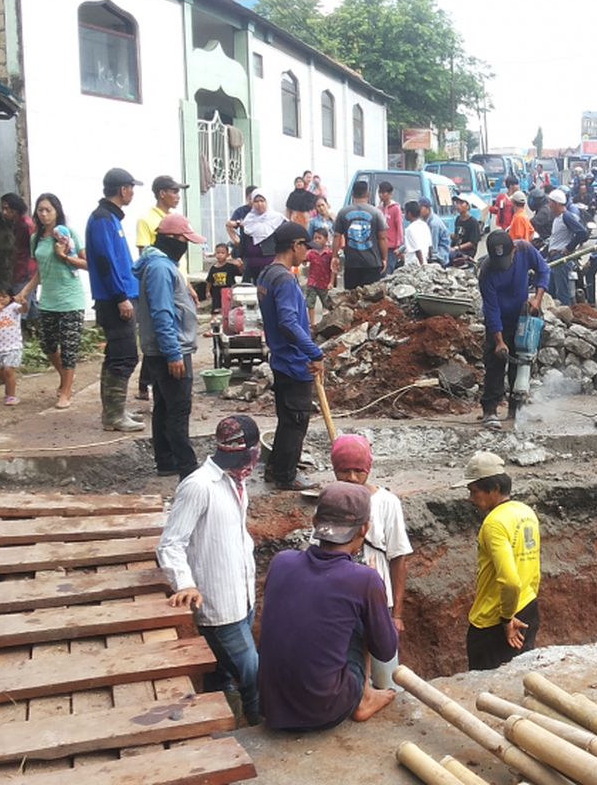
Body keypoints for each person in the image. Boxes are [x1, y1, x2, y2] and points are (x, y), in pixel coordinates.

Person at [259, 482, 399, 729]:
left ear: (315, 522)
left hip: (273, 707)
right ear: (364, 529)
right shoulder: (363, 579)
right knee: (358, 615)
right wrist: (375, 592)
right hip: (323, 710)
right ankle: (364, 698)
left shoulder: (281, 561)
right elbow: (386, 650)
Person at [158, 414, 262, 726]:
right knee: (253, 676)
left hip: (243, 597)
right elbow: (171, 543)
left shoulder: (235, 481)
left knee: (223, 672)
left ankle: (223, 726)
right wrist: (184, 583)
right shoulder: (199, 486)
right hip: (219, 607)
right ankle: (260, 733)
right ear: (248, 454)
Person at [330, 435, 413, 689]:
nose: (353, 478)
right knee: (347, 667)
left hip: (378, 601)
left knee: (386, 670)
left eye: (359, 471)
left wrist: (396, 614)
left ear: (369, 469)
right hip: (339, 600)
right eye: (345, 471)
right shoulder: (330, 499)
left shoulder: (387, 503)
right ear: (335, 469)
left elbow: (398, 557)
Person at [457, 451, 542, 671]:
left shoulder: (494, 523)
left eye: (474, 491)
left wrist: (506, 619)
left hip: (495, 621)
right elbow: (532, 569)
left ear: (494, 488)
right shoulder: (525, 512)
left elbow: (510, 581)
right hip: (528, 608)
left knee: (486, 689)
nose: (470, 498)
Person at [135, 213, 204, 479]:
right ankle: (187, 468)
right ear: (172, 239)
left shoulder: (157, 265)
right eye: (184, 240)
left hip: (161, 348)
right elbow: (162, 312)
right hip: (170, 350)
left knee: (163, 406)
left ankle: (166, 461)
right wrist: (173, 352)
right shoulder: (161, 268)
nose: (185, 246)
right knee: (178, 409)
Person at [258, 221, 323, 491]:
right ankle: (286, 475)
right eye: (305, 247)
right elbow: (288, 322)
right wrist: (314, 352)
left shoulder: (266, 274)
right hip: (294, 361)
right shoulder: (284, 279)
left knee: (286, 419)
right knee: (296, 421)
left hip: (280, 360)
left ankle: (275, 469)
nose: (307, 253)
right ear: (295, 245)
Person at [14, 194, 88, 410]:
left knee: (69, 348)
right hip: (48, 300)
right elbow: (40, 271)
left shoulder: (68, 233)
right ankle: (66, 377)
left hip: (70, 299)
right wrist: (26, 292)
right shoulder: (36, 238)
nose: (44, 214)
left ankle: (66, 392)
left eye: (48, 210)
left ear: (57, 212)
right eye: (40, 210)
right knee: (47, 345)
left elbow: (86, 263)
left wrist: (65, 256)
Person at [87, 167, 144, 432]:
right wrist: (121, 297)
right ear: (123, 189)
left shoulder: (111, 218)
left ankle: (114, 409)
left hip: (121, 295)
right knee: (124, 356)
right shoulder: (101, 219)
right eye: (131, 188)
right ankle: (113, 415)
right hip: (114, 299)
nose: (132, 193)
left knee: (116, 355)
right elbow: (104, 260)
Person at [477, 230, 550, 429]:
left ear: (514, 251)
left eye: (506, 260)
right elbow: (491, 310)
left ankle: (517, 408)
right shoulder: (486, 271)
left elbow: (544, 271)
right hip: (499, 319)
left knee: (521, 362)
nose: (502, 267)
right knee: (495, 363)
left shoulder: (525, 249)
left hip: (522, 316)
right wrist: (499, 341)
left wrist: (537, 298)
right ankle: (490, 410)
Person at [333, 180, 388, 289]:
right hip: (373, 263)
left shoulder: (343, 212)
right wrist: (384, 258)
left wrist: (334, 256)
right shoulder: (376, 213)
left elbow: (336, 236)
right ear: (368, 194)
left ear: (352, 194)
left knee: (351, 299)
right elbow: (382, 238)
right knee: (372, 300)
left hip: (352, 263)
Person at [544, 189, 590, 306]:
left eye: (550, 203)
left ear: (556, 203)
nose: (549, 205)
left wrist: (569, 248)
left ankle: (566, 317)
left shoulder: (566, 217)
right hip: (554, 259)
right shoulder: (558, 218)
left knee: (562, 293)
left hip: (561, 260)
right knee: (551, 291)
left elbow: (582, 233)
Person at [0, 193, 37, 327]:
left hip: (26, 270)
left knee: (21, 303)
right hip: (21, 269)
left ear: (15, 209)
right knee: (31, 303)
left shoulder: (26, 225)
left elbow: (34, 248)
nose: (4, 212)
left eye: (6, 208)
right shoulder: (17, 224)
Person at [0, 283, 23, 406]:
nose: (1, 299)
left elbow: (23, 310)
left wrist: (24, 303)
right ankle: (10, 386)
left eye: (4, 296)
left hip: (13, 346)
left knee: (8, 370)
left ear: (10, 297)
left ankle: (12, 396)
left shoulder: (14, 307)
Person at [238, 190, 283, 283]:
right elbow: (243, 242)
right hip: (251, 267)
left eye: (262, 201)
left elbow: (284, 241)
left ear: (267, 202)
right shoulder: (248, 220)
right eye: (256, 201)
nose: (259, 204)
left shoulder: (278, 219)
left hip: (271, 265)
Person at [136, 175, 187, 251]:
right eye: (174, 192)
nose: (178, 197)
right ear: (162, 194)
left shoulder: (175, 219)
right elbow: (144, 256)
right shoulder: (145, 220)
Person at [304, 227, 335, 325]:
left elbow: (333, 269)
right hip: (312, 282)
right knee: (310, 303)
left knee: (327, 304)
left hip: (325, 283)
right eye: (315, 238)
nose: (317, 240)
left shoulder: (330, 254)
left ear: (326, 239)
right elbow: (304, 260)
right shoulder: (311, 253)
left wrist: (331, 282)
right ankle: (312, 324)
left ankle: (325, 323)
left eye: (319, 238)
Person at [206, 243, 243, 316]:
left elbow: (240, 273)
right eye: (218, 253)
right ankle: (214, 323)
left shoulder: (230, 266)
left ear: (227, 255)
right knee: (215, 310)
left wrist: (240, 265)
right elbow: (209, 281)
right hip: (216, 292)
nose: (220, 255)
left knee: (228, 308)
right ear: (215, 254)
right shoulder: (213, 268)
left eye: (222, 253)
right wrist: (207, 291)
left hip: (228, 292)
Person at [377, 182, 403, 275]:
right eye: (380, 192)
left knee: (388, 271)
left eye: (384, 193)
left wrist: (398, 246)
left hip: (391, 247)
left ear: (390, 194)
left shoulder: (395, 208)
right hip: (380, 246)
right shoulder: (379, 209)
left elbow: (399, 227)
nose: (381, 195)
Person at [226, 185, 258, 261]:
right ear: (247, 198)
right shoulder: (241, 211)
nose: (254, 202)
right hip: (245, 245)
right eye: (251, 198)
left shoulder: (263, 212)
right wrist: (236, 241)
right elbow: (229, 224)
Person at [450, 195, 482, 268]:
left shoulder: (473, 222)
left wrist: (457, 248)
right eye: (457, 203)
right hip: (456, 251)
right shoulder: (458, 219)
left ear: (467, 206)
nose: (458, 205)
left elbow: (472, 242)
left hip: (466, 254)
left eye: (461, 203)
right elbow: (457, 236)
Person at [419, 197, 451, 266]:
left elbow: (434, 247)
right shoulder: (423, 220)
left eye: (421, 208)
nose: (419, 211)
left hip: (440, 255)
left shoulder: (434, 223)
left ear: (428, 208)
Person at [402, 200, 431, 267]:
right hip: (425, 261)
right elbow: (430, 247)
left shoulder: (409, 229)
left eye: (405, 212)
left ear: (409, 213)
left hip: (413, 264)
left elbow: (417, 250)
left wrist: (422, 266)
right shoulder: (425, 225)